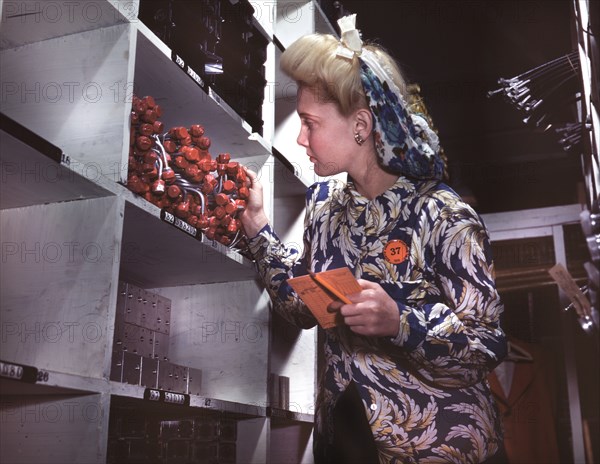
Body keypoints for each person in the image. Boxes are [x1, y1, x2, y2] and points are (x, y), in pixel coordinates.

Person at [240, 14, 507, 464]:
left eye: (310, 123)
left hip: (441, 449)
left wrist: (400, 321)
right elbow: (304, 307)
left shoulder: (443, 214)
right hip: (345, 445)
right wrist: (259, 232)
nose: (301, 138)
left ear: (360, 124)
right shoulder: (323, 205)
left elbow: (486, 345)